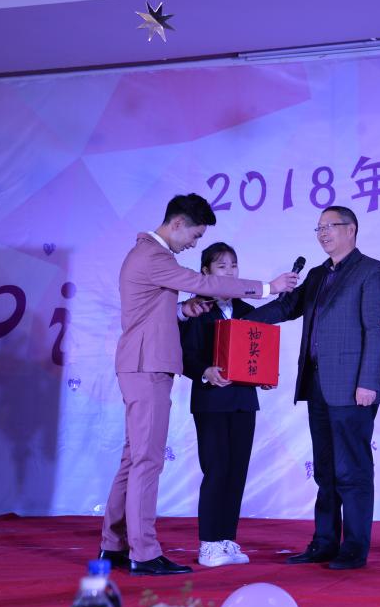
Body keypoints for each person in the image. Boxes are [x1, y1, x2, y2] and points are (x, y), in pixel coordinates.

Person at [98, 194, 298, 576]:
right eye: (195, 235)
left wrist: (181, 310)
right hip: (146, 365)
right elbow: (202, 282)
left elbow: (148, 310)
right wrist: (268, 287)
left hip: (142, 364)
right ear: (177, 224)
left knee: (134, 458)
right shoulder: (154, 256)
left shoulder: (147, 256)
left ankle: (114, 543)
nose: (193, 244)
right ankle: (143, 552)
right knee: (146, 461)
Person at [248, 206, 380, 570]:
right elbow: (285, 309)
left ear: (351, 230)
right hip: (317, 386)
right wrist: (237, 318)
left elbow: (376, 330)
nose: (323, 233)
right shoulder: (315, 274)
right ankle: (324, 542)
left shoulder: (371, 271)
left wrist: (368, 382)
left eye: (331, 226)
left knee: (352, 471)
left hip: (353, 388)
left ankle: (354, 547)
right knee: (326, 471)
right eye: (319, 228)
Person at [179, 242, 278, 568]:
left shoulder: (248, 310)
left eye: (233, 265)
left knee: (236, 472)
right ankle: (208, 543)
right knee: (216, 469)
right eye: (221, 266)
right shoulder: (196, 309)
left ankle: (226, 539)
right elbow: (185, 355)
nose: (230, 271)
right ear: (205, 271)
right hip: (210, 401)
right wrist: (204, 371)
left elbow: (256, 353)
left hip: (243, 402)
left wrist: (264, 375)